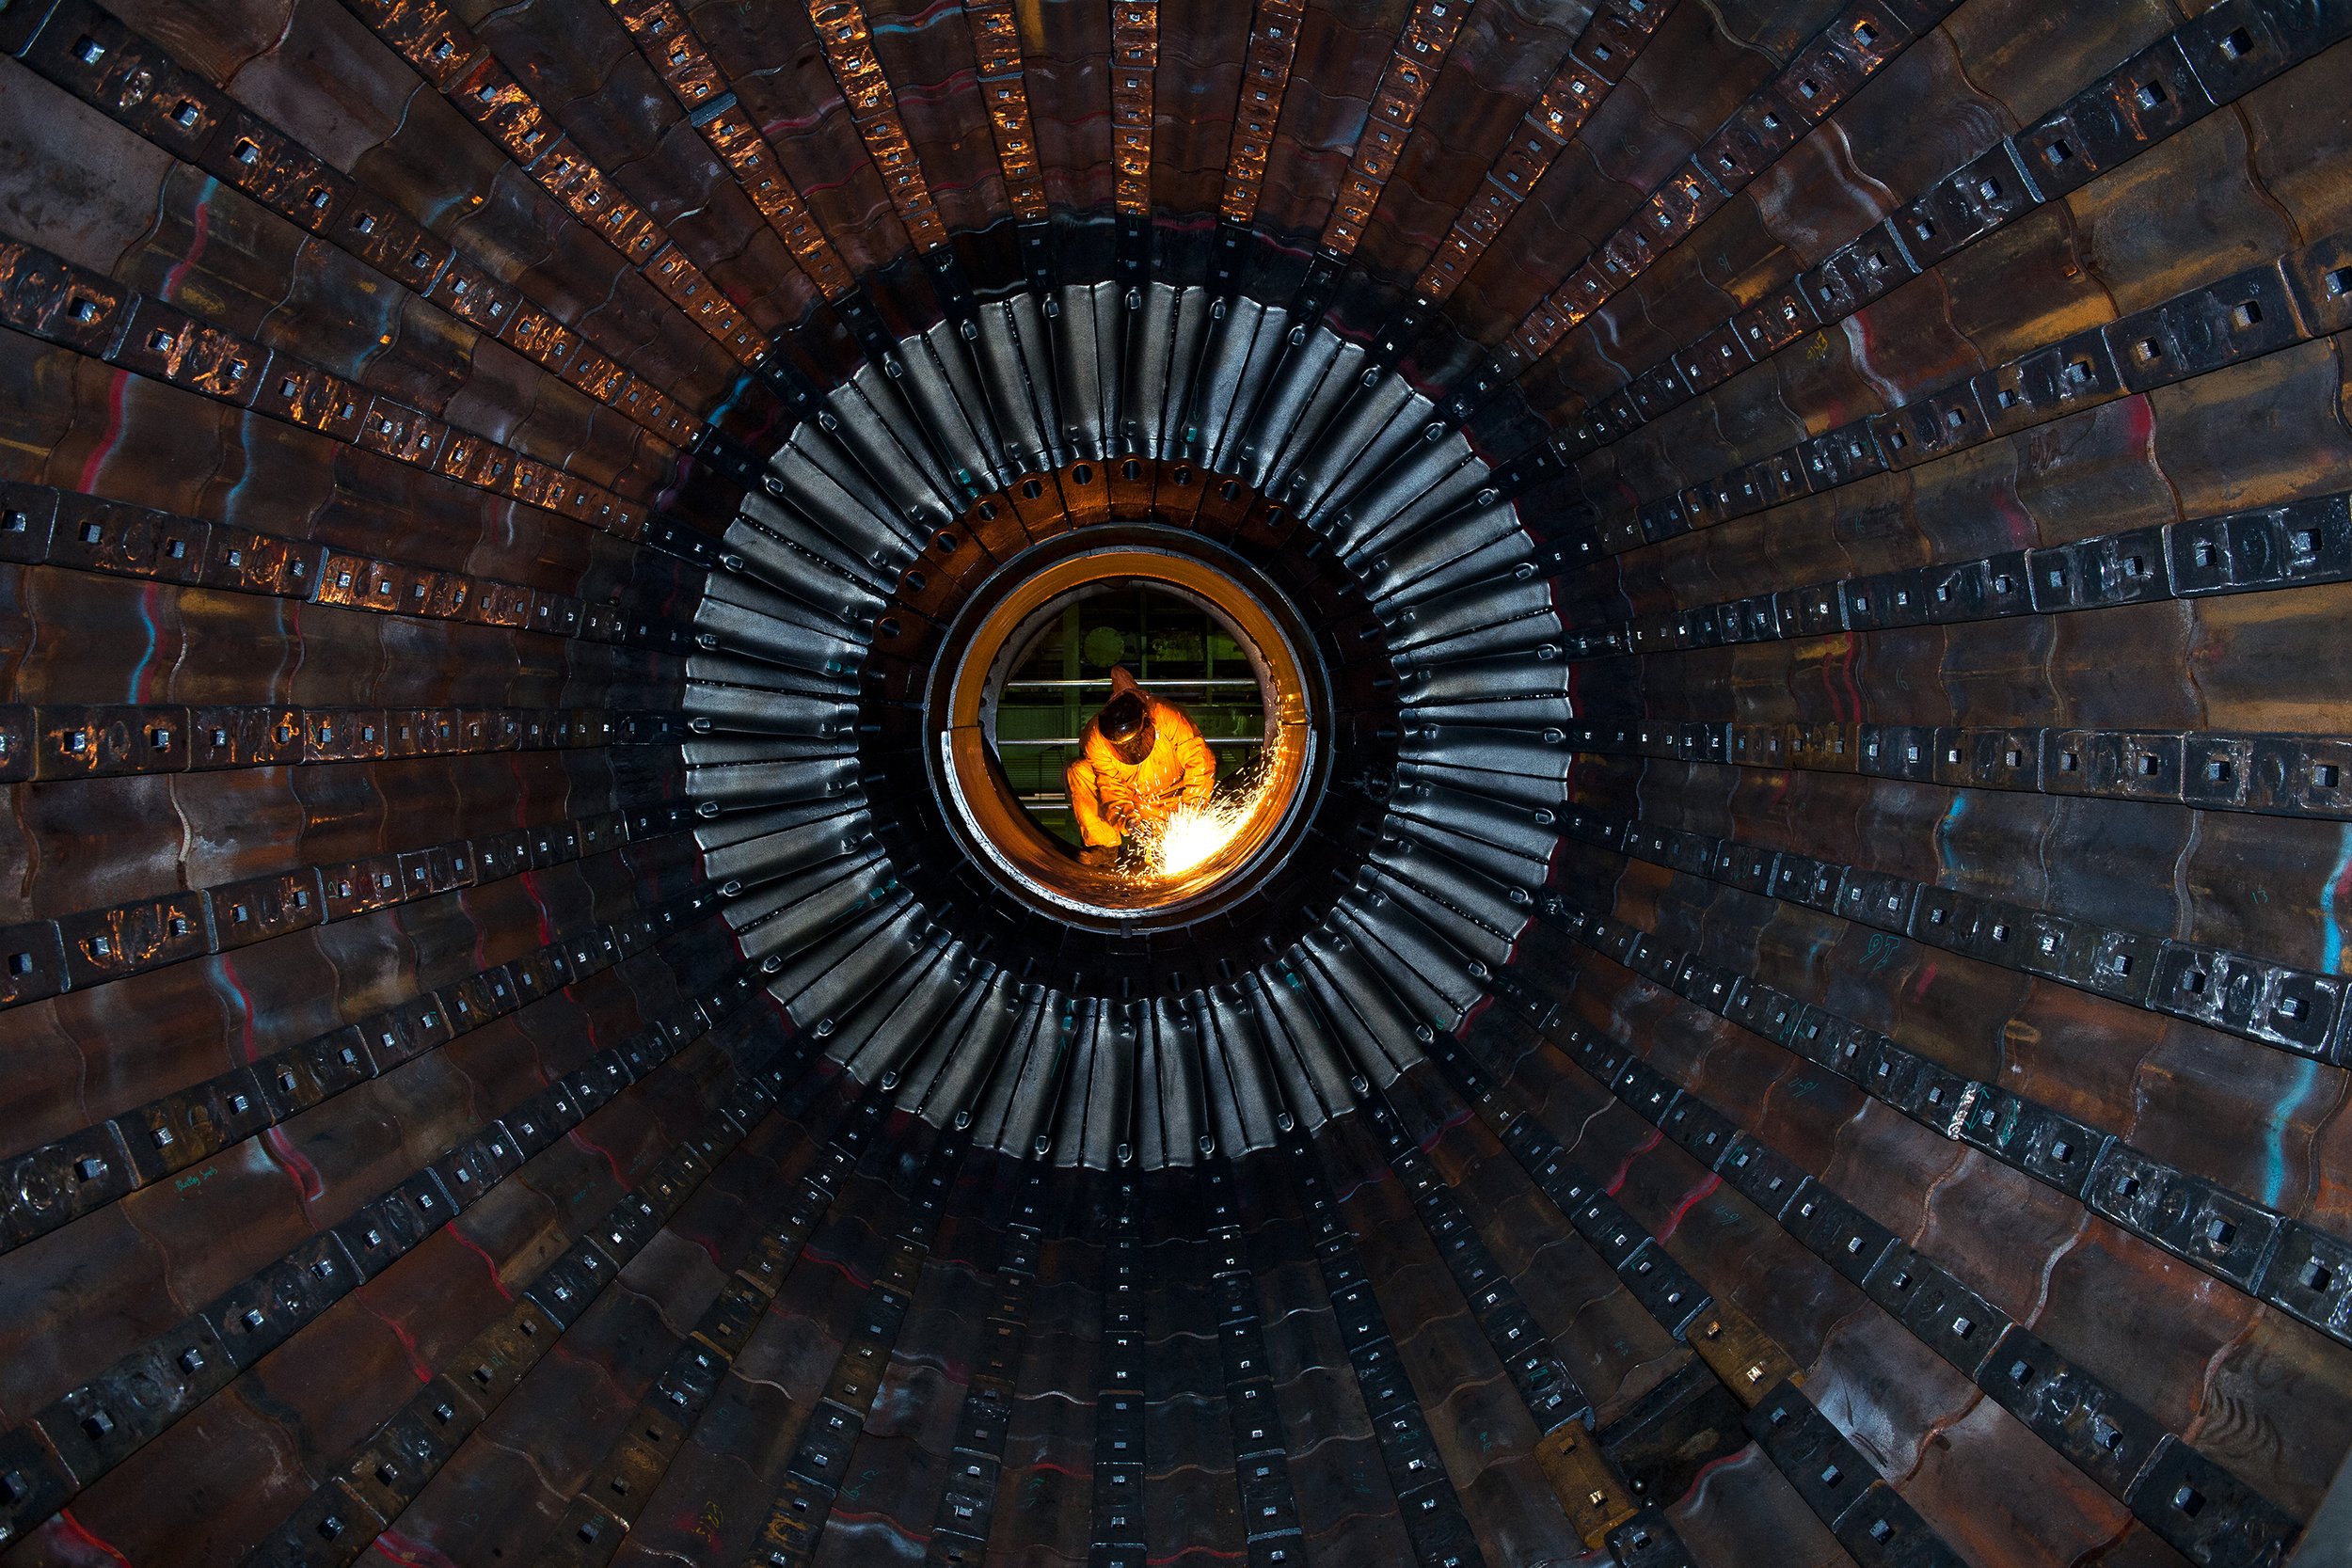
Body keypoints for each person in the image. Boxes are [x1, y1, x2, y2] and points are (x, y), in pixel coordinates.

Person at [1064, 666, 1216, 863]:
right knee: (1078, 770)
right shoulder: (1095, 738)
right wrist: (1129, 820)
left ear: (1146, 720)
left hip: (1176, 798)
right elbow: (1111, 786)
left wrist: (1190, 813)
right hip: (1134, 800)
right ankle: (1106, 848)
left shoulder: (1166, 715)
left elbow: (1200, 761)